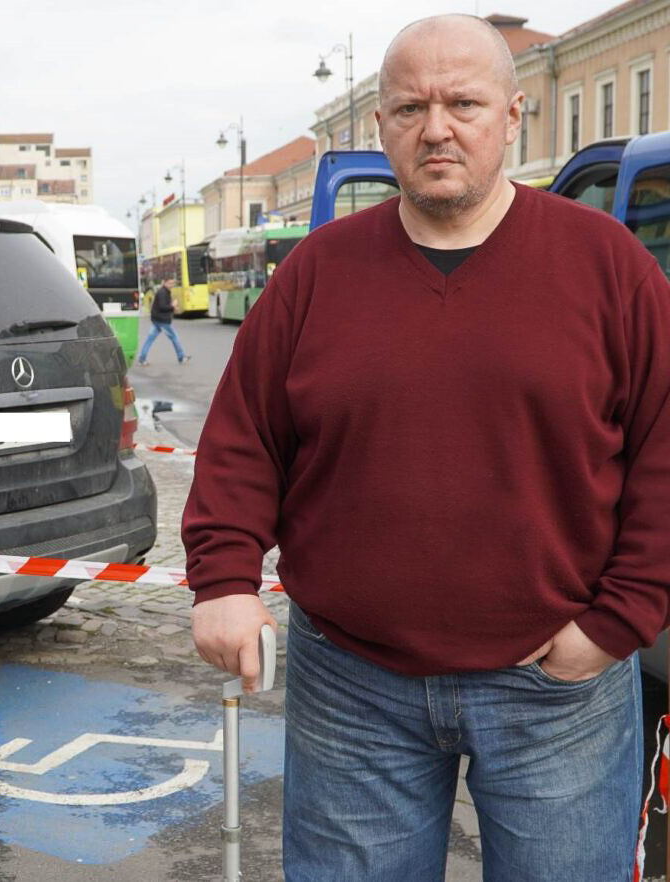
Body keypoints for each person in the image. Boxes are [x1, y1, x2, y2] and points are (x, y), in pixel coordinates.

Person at [183, 13, 670, 882]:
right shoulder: (315, 275)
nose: (436, 127)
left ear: (514, 115)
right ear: (381, 131)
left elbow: (666, 453)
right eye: (409, 108)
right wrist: (222, 576)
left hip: (559, 690)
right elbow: (244, 438)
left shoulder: (608, 266)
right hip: (353, 687)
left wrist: (618, 621)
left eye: (463, 103)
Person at [137, 278, 189, 365]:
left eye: (173, 283)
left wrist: (172, 307)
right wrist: (172, 306)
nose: (171, 285)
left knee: (150, 339)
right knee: (174, 337)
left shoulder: (164, 292)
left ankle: (142, 359)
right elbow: (162, 306)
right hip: (162, 320)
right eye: (170, 283)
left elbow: (163, 306)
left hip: (158, 319)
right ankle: (181, 357)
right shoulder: (162, 292)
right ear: (164, 283)